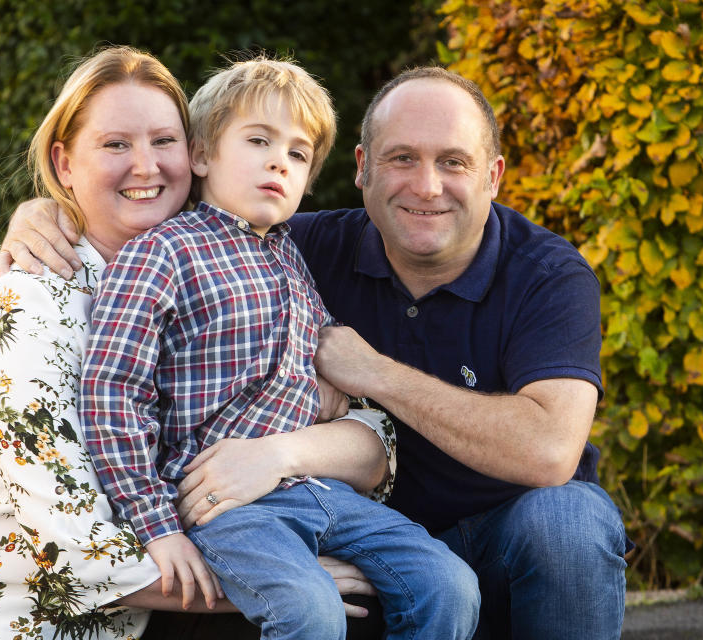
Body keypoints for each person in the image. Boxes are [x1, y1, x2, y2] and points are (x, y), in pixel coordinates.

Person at [1, 65, 630, 639]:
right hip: (287, 517)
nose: (427, 185)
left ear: (493, 175)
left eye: (455, 162)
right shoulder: (297, 245)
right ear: (362, 169)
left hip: (475, 534)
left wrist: (371, 376)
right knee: (311, 606)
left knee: (565, 522)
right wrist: (52, 212)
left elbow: (550, 452)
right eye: (402, 158)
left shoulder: (545, 272)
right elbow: (173, 197)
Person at [0, 46, 393, 640]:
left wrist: (287, 453)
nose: (147, 166)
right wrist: (292, 582)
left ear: (200, 155)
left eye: (164, 142)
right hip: (7, 618)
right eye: (115, 145)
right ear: (64, 164)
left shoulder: (240, 266)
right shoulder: (28, 304)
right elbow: (75, 537)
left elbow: (375, 441)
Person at [77, 56, 479, 640]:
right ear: (202, 155)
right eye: (259, 140)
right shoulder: (162, 253)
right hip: (226, 508)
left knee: (449, 584)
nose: (278, 161)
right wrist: (156, 525)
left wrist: (330, 374)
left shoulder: (291, 254)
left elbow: (321, 343)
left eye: (297, 153)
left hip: (317, 490)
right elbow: (112, 391)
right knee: (309, 610)